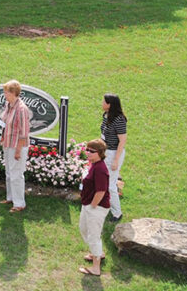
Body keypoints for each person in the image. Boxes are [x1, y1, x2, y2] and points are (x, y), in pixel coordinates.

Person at [78, 139, 111, 277]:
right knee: (84, 229)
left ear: (100, 153)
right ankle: (97, 253)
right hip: (88, 204)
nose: (88, 153)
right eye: (87, 150)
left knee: (93, 236)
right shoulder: (94, 164)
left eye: (92, 151)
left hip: (96, 207)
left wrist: (92, 206)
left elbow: (101, 191)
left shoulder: (101, 169)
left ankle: (96, 268)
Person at [0, 80, 30, 213]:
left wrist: (18, 150)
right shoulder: (8, 105)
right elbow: (6, 123)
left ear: (13, 93)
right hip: (7, 143)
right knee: (9, 173)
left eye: (6, 92)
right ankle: (10, 197)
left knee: (17, 174)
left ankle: (19, 203)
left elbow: (24, 133)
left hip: (17, 146)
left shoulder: (21, 109)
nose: (4, 94)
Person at [101, 93, 128, 222]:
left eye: (104, 102)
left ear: (110, 104)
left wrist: (116, 160)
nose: (102, 103)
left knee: (111, 185)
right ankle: (105, 206)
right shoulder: (106, 116)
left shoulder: (119, 119)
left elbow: (122, 141)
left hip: (113, 153)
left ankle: (117, 213)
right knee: (104, 182)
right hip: (105, 152)